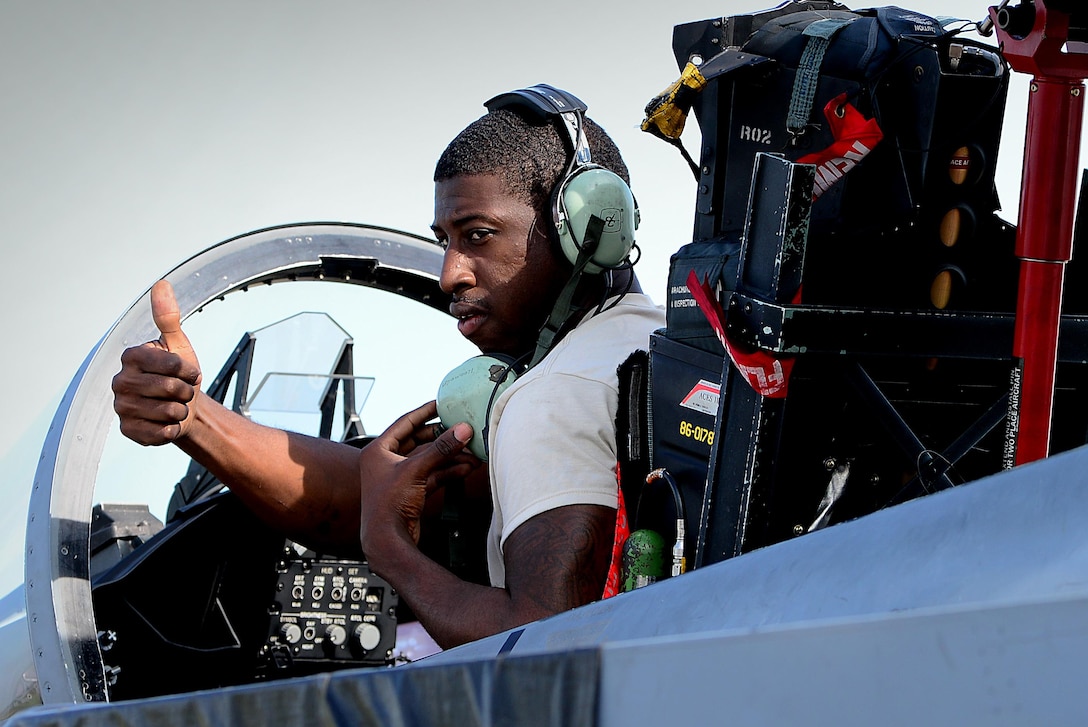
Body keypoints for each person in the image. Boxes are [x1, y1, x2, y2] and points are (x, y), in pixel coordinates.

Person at [112, 84, 665, 649]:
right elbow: (361, 487)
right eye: (445, 242)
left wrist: (388, 547)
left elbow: (541, 641)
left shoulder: (554, 396)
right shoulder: (647, 345)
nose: (451, 275)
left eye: (477, 236)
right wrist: (193, 416)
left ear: (590, 225)